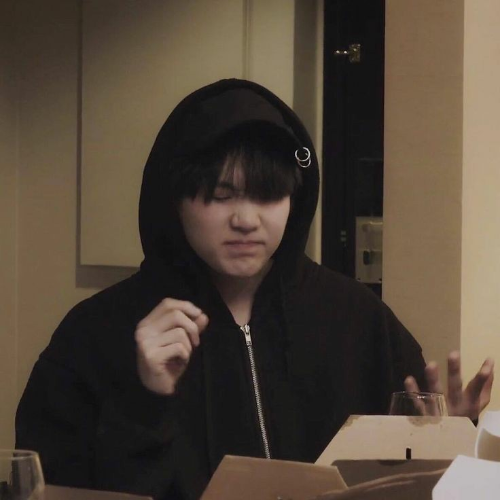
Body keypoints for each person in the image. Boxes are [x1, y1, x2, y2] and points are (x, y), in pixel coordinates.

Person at [16, 79, 494, 500]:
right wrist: (143, 405)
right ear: (174, 200)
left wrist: (451, 442)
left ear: (295, 200)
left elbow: (407, 484)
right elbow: (48, 485)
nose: (245, 220)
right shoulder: (97, 332)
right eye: (221, 196)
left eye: (268, 195)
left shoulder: (357, 318)